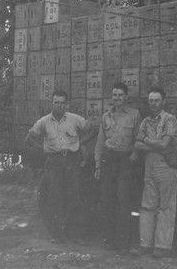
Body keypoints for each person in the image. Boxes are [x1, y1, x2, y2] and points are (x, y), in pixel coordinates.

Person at [25, 90, 96, 243]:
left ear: (66, 104)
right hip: (54, 162)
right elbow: (29, 138)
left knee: (74, 196)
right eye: (56, 102)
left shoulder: (74, 119)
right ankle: (57, 235)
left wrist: (79, 143)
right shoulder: (44, 122)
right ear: (52, 103)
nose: (59, 106)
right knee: (55, 197)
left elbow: (92, 129)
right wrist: (43, 149)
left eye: (62, 103)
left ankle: (76, 234)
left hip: (71, 161)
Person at [130, 87, 177, 259]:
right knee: (147, 206)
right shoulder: (145, 122)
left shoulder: (170, 120)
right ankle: (145, 244)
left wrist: (144, 140)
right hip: (150, 167)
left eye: (156, 100)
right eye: (151, 100)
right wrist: (150, 143)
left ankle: (162, 247)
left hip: (167, 167)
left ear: (163, 101)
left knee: (166, 207)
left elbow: (164, 145)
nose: (153, 104)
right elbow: (137, 146)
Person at [94, 82, 141, 254]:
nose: (117, 98)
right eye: (114, 95)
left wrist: (132, 158)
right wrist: (98, 164)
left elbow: (139, 139)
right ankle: (109, 240)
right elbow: (100, 141)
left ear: (126, 97)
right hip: (108, 160)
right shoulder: (106, 116)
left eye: (120, 95)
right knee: (107, 201)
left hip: (124, 161)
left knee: (123, 201)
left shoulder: (134, 115)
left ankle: (123, 244)